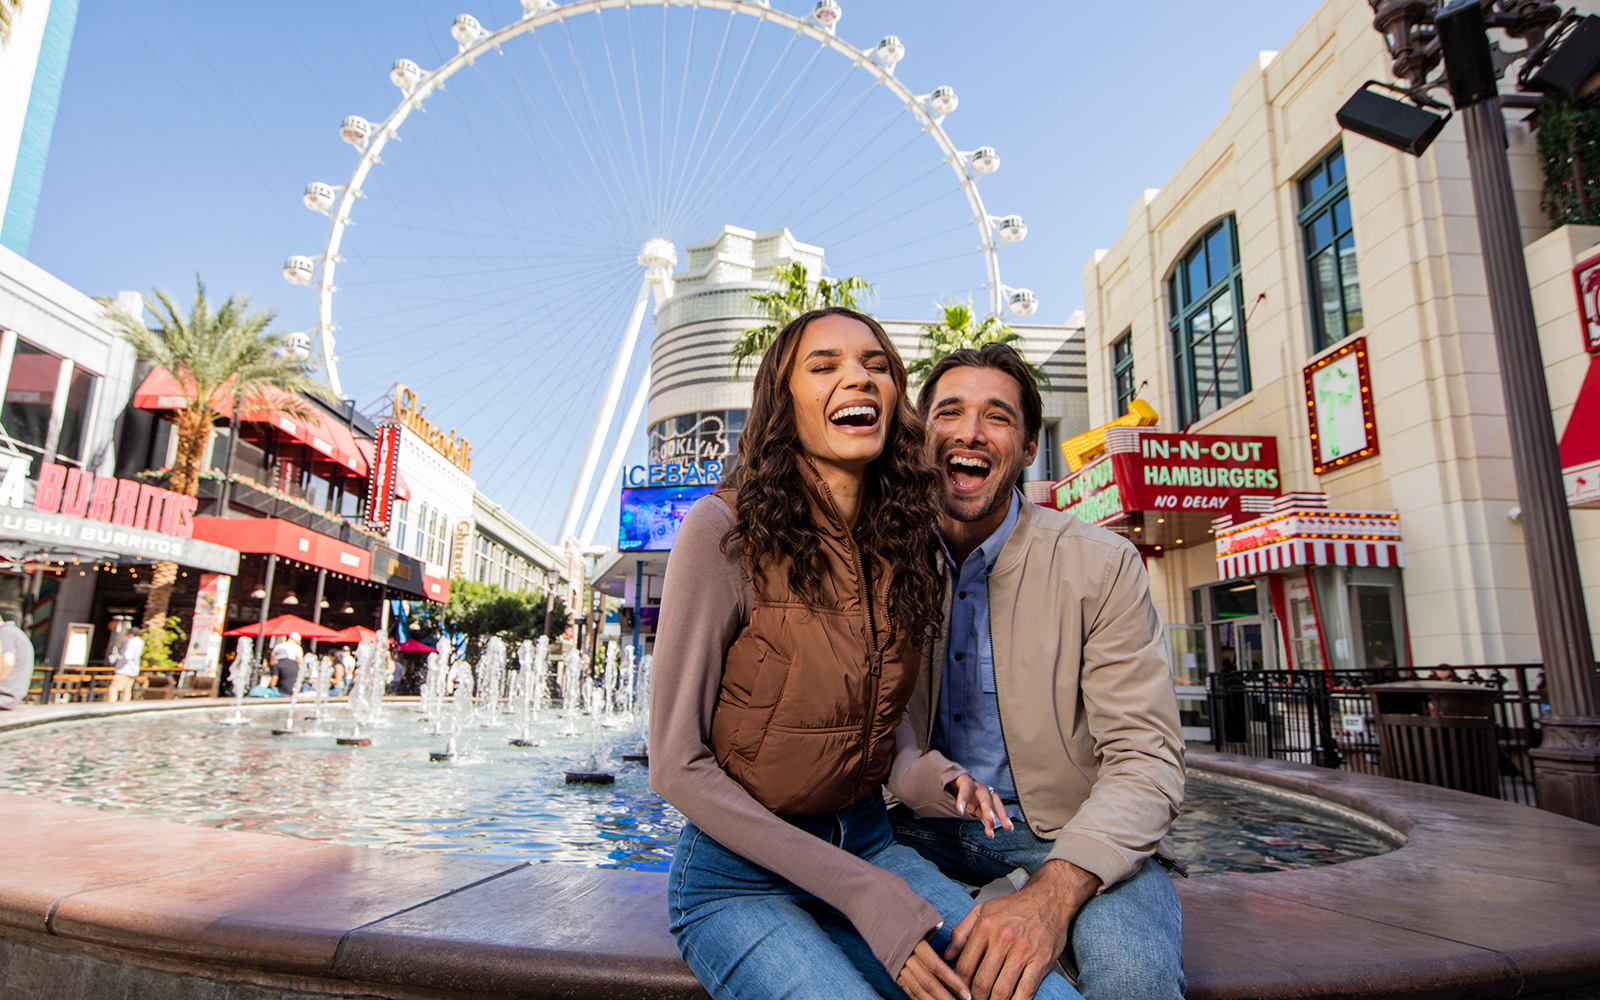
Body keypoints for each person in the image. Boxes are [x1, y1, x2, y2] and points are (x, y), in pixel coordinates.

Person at [650, 308, 1084, 1000]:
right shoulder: (721, 531)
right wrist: (863, 894)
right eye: (824, 366)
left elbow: (890, 733)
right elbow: (675, 767)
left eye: (876, 365)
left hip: (871, 846)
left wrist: (929, 777)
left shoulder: (899, 543)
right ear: (784, 404)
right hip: (740, 880)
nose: (858, 376)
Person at [885, 343, 1187, 1000]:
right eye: (949, 413)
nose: (969, 431)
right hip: (904, 829)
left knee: (1137, 975)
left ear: (1027, 448)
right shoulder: (875, 560)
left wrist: (1053, 896)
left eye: (997, 416)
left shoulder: (1102, 565)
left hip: (1068, 834)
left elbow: (1148, 757)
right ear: (920, 437)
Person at [0, 606, 33, 710]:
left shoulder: (4, 632)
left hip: (4, 696)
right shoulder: (15, 631)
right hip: (12, 697)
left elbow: (8, 662)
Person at [106, 630, 146, 702]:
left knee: (113, 688)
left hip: (124, 669)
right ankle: (125, 706)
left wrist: (118, 657)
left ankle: (110, 705)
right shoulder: (140, 642)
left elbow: (127, 656)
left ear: (130, 635)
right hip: (133, 669)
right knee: (127, 689)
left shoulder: (131, 642)